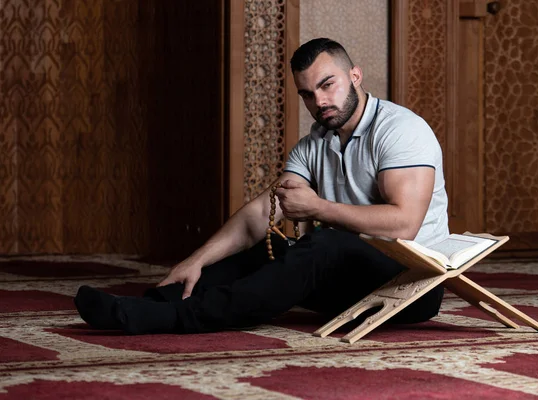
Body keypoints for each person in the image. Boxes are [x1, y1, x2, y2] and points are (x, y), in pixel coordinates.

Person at [74, 38, 449, 335]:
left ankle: (178, 319)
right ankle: (154, 303)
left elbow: (405, 224)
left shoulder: (400, 131)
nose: (319, 102)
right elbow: (259, 216)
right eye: (306, 93)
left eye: (327, 85)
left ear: (354, 75)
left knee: (324, 242)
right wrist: (197, 259)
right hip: (352, 284)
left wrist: (318, 208)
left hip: (411, 288)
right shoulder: (312, 145)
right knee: (264, 251)